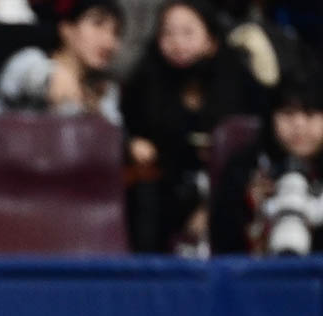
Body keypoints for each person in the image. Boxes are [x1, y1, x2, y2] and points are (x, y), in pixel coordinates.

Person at [0, 0, 125, 231]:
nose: (108, 41)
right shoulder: (28, 60)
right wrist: (57, 76)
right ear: (67, 29)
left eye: (115, 32)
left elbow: (110, 142)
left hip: (51, 193)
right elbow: (34, 78)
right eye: (98, 25)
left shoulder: (105, 90)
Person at [121, 0, 265, 253]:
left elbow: (260, 139)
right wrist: (133, 142)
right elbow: (127, 127)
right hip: (168, 187)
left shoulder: (236, 79)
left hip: (227, 186)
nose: (177, 42)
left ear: (211, 39)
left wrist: (208, 208)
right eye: (168, 33)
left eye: (187, 32)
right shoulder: (144, 80)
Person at [211, 63, 323, 254]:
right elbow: (223, 246)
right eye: (287, 114)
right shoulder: (244, 167)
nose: (298, 125)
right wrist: (251, 210)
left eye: (310, 114)